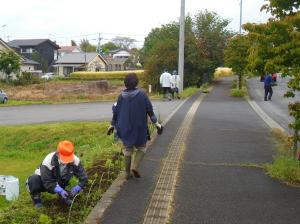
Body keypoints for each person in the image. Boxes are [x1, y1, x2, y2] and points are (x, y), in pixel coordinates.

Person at [107, 73, 163, 179]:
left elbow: (116, 113)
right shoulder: (142, 95)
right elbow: (150, 111)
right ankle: (135, 166)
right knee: (141, 147)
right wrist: (157, 124)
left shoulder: (120, 96)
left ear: (125, 84)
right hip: (139, 127)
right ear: (137, 82)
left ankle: (127, 174)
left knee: (127, 150)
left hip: (124, 127)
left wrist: (111, 125)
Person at [26, 140, 88, 208]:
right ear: (58, 153)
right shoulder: (48, 160)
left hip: (60, 181)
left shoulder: (75, 160)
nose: (66, 162)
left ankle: (63, 196)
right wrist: (58, 189)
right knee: (33, 180)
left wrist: (79, 187)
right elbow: (47, 181)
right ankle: (36, 198)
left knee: (63, 187)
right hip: (44, 181)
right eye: (64, 158)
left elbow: (83, 177)